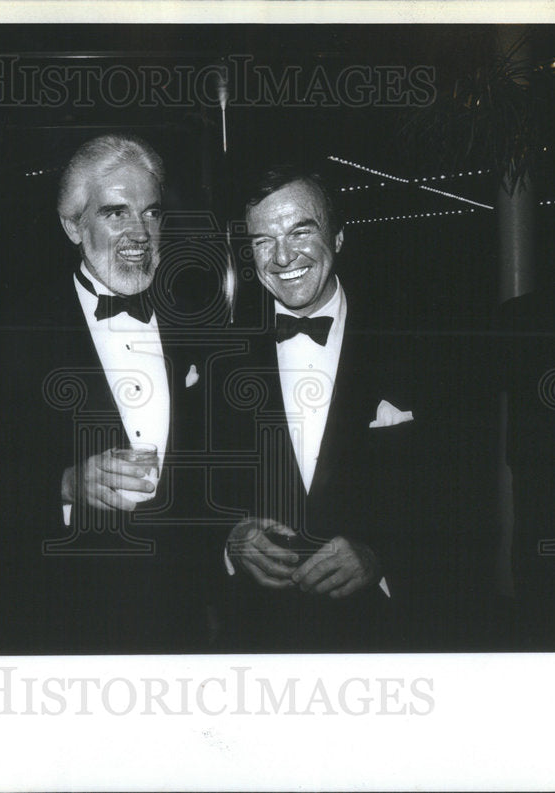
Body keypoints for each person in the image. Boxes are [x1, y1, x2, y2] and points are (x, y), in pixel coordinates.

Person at [213, 165, 440, 651]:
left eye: (300, 230)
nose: (283, 256)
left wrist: (381, 557)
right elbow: (191, 485)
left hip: (382, 632)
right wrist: (229, 540)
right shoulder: (218, 357)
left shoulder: (420, 343)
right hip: (255, 635)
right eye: (262, 240)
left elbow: (459, 490)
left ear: (337, 237)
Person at [16, 133, 219, 653]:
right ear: (72, 225)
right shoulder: (17, 333)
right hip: (66, 609)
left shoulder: (198, 323)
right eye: (115, 214)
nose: (139, 233)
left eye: (150, 214)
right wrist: (63, 483)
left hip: (184, 611)